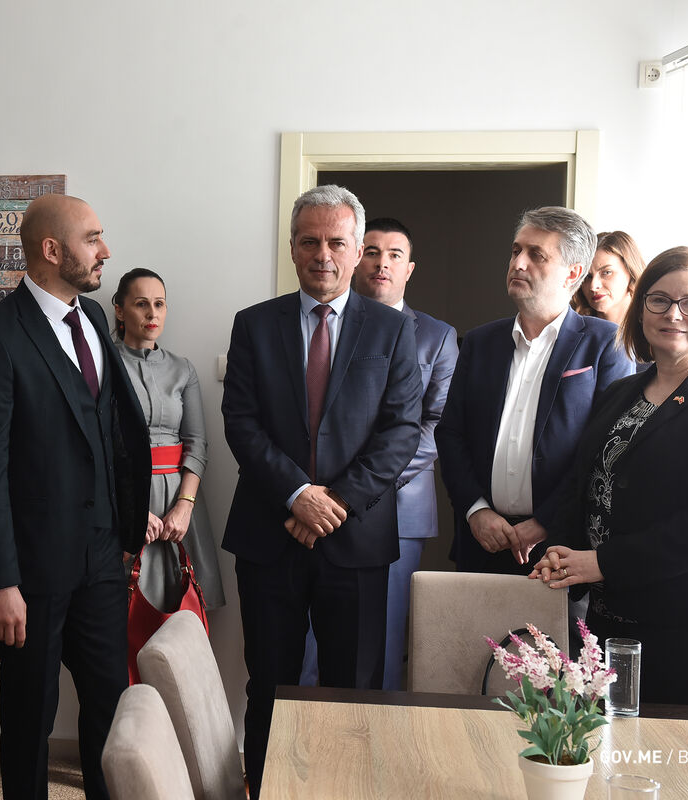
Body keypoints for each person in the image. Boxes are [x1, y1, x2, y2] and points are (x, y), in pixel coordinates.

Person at [221, 185, 423, 798]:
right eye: (309, 241)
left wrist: (331, 504)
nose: (323, 254)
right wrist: (296, 494)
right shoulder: (253, 324)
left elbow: (401, 431)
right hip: (269, 534)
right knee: (269, 685)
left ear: (358, 250)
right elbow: (241, 423)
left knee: (352, 689)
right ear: (291, 247)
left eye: (337, 242)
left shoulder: (393, 330)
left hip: (355, 540)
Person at [532, 247, 688, 737]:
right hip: (613, 618)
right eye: (659, 300)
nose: (673, 314)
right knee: (614, 756)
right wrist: (562, 549)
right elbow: (587, 485)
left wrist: (602, 562)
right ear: (640, 309)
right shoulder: (619, 394)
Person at [0, 194, 150, 800]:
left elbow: (109, 432)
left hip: (102, 559)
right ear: (50, 250)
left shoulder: (91, 317)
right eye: (92, 239)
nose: (105, 250)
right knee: (29, 716)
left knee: (110, 708)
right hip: (31, 570)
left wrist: (124, 530)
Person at [300, 217, 458, 691]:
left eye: (394, 255)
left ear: (409, 268)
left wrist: (362, 487)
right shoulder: (321, 322)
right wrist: (322, 495)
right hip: (310, 504)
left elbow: (433, 424)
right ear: (354, 258)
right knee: (306, 646)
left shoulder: (438, 336)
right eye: (371, 251)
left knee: (380, 643)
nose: (381, 263)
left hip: (398, 509)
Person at [436, 207, 635, 576]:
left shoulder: (606, 343)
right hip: (481, 540)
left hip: (559, 547)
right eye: (516, 251)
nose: (518, 263)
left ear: (573, 273)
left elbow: (605, 450)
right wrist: (476, 510)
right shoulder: (479, 342)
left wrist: (544, 521)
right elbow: (450, 433)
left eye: (536, 255)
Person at [111, 268, 226, 611]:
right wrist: (131, 512)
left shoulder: (183, 368)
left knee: (184, 614)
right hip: (125, 499)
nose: (152, 313)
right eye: (141, 304)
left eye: (159, 304)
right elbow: (99, 445)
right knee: (124, 610)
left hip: (181, 502)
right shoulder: (103, 365)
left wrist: (184, 507)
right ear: (119, 310)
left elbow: (197, 443)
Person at [572, 230, 646, 325]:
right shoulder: (568, 327)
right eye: (587, 276)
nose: (593, 286)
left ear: (631, 273)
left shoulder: (653, 327)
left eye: (606, 272)